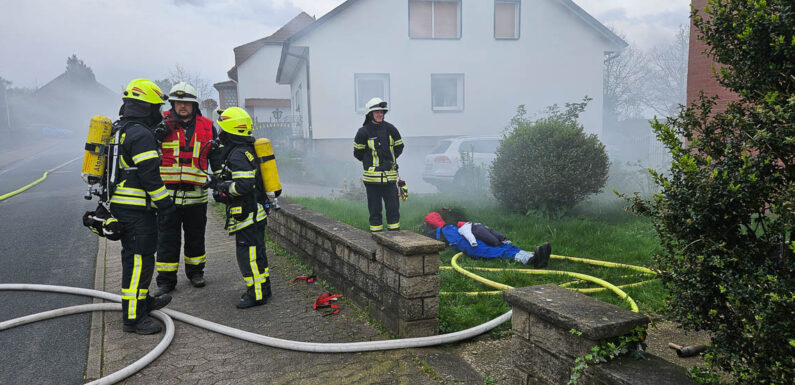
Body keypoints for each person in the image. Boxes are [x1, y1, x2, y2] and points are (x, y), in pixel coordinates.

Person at [108, 79, 176, 334]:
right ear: (146, 108)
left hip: (125, 208)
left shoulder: (121, 129)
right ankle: (134, 318)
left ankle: (142, 301)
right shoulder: (140, 134)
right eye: (156, 107)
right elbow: (150, 176)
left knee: (136, 258)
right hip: (136, 211)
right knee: (139, 261)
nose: (159, 113)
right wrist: (166, 205)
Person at [152, 82, 216, 296]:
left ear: (194, 105)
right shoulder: (160, 125)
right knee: (167, 239)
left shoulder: (208, 126)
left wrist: (218, 181)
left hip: (196, 195)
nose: (182, 106)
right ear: (172, 103)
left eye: (187, 102)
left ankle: (196, 273)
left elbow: (216, 158)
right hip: (167, 196)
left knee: (196, 237)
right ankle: (166, 281)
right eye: (178, 102)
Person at [208, 107, 272, 308]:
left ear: (229, 131)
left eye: (222, 129)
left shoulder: (237, 154)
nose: (219, 134)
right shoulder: (246, 150)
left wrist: (221, 186)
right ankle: (263, 288)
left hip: (248, 215)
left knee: (249, 256)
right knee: (257, 254)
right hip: (255, 212)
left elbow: (243, 186)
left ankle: (257, 294)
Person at [353, 97, 404, 232]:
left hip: (390, 179)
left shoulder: (391, 129)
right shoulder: (363, 132)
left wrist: (390, 161)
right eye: (377, 112)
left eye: (382, 112)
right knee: (375, 212)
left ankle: (395, 239)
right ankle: (377, 239)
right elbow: (358, 153)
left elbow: (399, 147)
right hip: (372, 181)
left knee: (393, 211)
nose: (380, 114)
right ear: (370, 114)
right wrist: (370, 162)